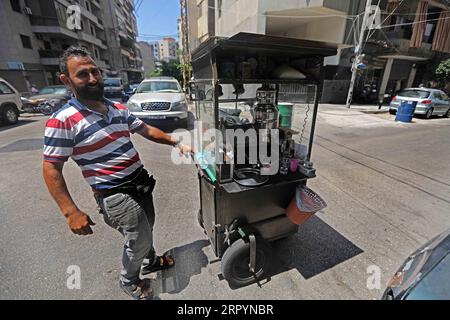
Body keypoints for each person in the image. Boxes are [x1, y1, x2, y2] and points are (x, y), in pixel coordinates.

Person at [42, 47, 192, 300]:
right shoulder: (63, 120)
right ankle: (128, 280)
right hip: (115, 194)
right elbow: (51, 168)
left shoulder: (116, 108)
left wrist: (177, 142)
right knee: (139, 238)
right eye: (82, 74)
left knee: (147, 228)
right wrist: (71, 212)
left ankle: (150, 261)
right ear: (66, 81)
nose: (92, 79)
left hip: (140, 183)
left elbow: (146, 130)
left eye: (95, 72)